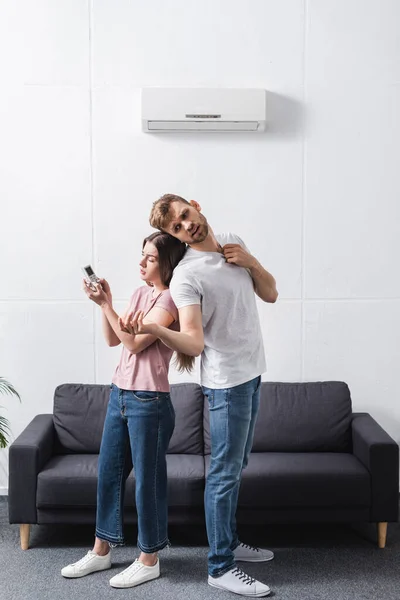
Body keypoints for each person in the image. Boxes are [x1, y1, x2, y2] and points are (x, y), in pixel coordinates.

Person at [128, 194, 278, 598]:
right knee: (224, 475)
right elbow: (193, 344)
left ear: (194, 205)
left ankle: (227, 542)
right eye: (175, 228)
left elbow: (271, 293)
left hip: (252, 373)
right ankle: (220, 566)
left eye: (184, 215)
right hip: (226, 384)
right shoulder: (186, 277)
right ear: (172, 235)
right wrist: (157, 331)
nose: (185, 225)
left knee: (237, 465)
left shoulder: (232, 241)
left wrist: (251, 262)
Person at [61, 231, 190, 589]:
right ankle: (101, 550)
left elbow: (134, 343)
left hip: (149, 401)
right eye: (142, 255)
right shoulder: (139, 294)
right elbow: (114, 339)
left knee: (147, 482)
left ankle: (149, 558)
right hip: (120, 393)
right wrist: (107, 303)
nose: (141, 262)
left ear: (166, 263)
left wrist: (106, 305)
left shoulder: (169, 301)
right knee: (108, 474)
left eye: (149, 258)